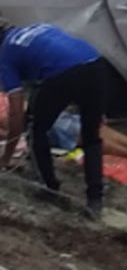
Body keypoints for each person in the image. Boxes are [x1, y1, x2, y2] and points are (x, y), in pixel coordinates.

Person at [0, 19, 107, 217]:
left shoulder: (5, 54)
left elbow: (16, 114)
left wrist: (6, 158)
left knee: (35, 129)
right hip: (96, 63)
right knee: (91, 135)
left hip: (62, 74)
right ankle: (95, 199)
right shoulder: (38, 27)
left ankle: (49, 187)